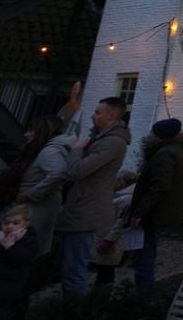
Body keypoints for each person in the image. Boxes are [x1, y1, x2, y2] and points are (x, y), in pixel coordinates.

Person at [22, 96, 130, 298]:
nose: (92, 115)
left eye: (97, 112)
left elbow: (77, 171)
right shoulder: (100, 138)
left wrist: (77, 150)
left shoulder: (112, 143)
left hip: (86, 210)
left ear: (112, 116)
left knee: (74, 267)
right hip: (79, 206)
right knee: (69, 264)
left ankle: (72, 310)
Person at [127, 118, 183, 297]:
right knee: (146, 254)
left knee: (144, 257)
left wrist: (140, 212)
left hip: (153, 215)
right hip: (158, 213)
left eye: (152, 133)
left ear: (160, 135)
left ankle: (143, 298)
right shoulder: (175, 151)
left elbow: (160, 186)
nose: (149, 136)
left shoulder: (164, 155)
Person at [6, 115, 75, 260]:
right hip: (34, 205)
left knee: (23, 249)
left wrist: (28, 194)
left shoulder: (49, 152)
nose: (26, 134)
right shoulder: (46, 150)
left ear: (41, 132)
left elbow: (56, 174)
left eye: (31, 130)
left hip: (34, 206)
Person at [91, 171, 138, 288]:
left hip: (110, 238)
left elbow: (120, 222)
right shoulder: (121, 196)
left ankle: (102, 291)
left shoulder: (126, 199)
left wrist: (108, 240)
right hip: (106, 235)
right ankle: (101, 289)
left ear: (123, 182)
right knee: (104, 266)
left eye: (118, 179)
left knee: (106, 267)